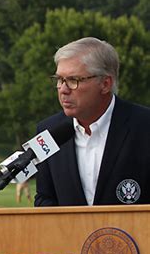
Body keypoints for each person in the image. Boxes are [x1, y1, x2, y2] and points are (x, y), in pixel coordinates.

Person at [35, 37, 150, 206]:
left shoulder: (144, 126)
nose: (63, 90)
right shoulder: (48, 132)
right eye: (59, 80)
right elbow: (45, 198)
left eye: (74, 80)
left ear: (105, 84)